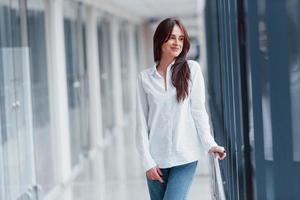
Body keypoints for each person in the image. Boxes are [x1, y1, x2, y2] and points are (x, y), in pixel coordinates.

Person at [135, 18, 226, 200]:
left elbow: (199, 112)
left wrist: (210, 143)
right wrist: (147, 163)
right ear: (160, 41)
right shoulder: (144, 78)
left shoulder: (192, 70)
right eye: (172, 38)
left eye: (181, 38)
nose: (177, 43)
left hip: (185, 156)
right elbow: (141, 124)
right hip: (156, 159)